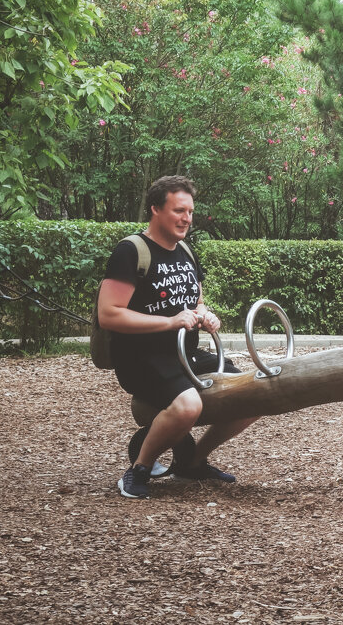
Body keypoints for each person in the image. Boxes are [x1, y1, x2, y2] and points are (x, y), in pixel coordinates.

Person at [99, 175, 258, 498]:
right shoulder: (131, 251)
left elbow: (194, 301)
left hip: (185, 354)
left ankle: (192, 462)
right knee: (188, 406)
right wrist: (169, 322)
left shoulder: (185, 250)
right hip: (142, 358)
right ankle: (139, 469)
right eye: (178, 211)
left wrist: (204, 315)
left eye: (190, 212)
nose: (186, 218)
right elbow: (109, 313)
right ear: (155, 209)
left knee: (253, 396)